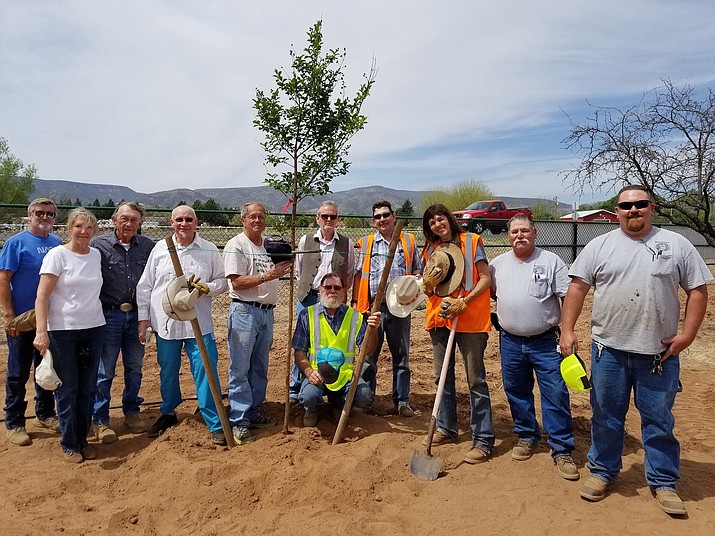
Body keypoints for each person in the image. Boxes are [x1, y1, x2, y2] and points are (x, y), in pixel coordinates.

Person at [560, 185, 712, 516]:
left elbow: (698, 290)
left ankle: (663, 481)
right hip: (608, 352)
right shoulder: (599, 246)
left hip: (659, 356)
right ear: (616, 210)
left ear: (651, 208)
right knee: (606, 417)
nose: (633, 210)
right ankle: (602, 472)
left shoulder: (676, 245)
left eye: (640, 204)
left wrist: (687, 335)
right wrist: (568, 330)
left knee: (658, 420)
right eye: (626, 205)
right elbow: (577, 288)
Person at [489, 214, 578, 480]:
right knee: (516, 391)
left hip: (546, 341)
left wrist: (567, 332)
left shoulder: (550, 261)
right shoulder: (497, 265)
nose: (520, 235)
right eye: (514, 231)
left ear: (535, 233)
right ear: (508, 236)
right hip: (510, 340)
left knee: (555, 393)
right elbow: (495, 294)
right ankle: (527, 436)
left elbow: (567, 296)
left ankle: (561, 448)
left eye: (525, 231)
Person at [136, 206, 228, 445]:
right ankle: (168, 412)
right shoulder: (160, 249)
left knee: (206, 370)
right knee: (167, 371)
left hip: (199, 323)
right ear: (171, 222)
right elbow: (146, 285)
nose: (184, 223)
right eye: (179, 220)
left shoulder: (208, 249)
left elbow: (223, 281)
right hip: (166, 324)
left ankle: (213, 419)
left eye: (188, 219)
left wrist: (209, 287)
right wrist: (143, 318)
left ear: (196, 221)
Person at [420, 204, 495, 464]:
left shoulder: (472, 242)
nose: (437, 225)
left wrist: (466, 300)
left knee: (475, 380)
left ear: (449, 219)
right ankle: (446, 428)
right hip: (441, 320)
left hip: (470, 320)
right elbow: (430, 290)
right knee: (442, 378)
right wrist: (426, 286)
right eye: (431, 223)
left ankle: (483, 438)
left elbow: (485, 278)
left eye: (440, 219)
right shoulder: (431, 250)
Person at [33, 207, 106, 463]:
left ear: (95, 231)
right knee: (68, 388)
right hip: (63, 331)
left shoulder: (95, 255)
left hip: (94, 327)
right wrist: (42, 332)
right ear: (68, 228)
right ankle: (69, 443)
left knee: (88, 387)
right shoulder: (57, 256)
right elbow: (42, 295)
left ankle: (82, 438)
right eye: (78, 227)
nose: (84, 232)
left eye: (89, 228)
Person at [224, 202, 292, 444]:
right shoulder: (236, 245)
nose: (257, 221)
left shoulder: (268, 245)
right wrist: (268, 275)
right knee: (240, 367)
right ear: (243, 220)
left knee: (260, 366)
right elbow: (237, 283)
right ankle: (239, 420)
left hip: (266, 313)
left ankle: (253, 411)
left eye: (261, 216)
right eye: (252, 217)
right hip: (245, 311)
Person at [90, 202, 154, 443]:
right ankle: (100, 419)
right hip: (108, 315)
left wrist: (147, 317)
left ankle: (132, 411)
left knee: (135, 367)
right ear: (114, 220)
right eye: (124, 219)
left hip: (137, 315)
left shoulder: (148, 247)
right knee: (104, 370)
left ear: (140, 223)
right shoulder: (99, 245)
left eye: (134, 220)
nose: (129, 224)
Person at [1, 198, 62, 446]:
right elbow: (4, 279)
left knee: (45, 368)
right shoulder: (16, 243)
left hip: (49, 319)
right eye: (39, 213)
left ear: (54, 218)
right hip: (23, 319)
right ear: (30, 215)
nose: (44, 217)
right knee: (18, 372)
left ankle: (45, 414)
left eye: (49, 214)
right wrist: (7, 314)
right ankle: (14, 422)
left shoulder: (57, 244)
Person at [353, 200, 420, 416]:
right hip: (372, 307)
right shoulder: (366, 243)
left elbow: (418, 271)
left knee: (401, 355)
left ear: (393, 216)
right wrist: (356, 303)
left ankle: (401, 401)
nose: (382, 219)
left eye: (385, 215)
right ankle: (366, 399)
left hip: (400, 308)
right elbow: (357, 275)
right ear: (373, 222)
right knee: (369, 353)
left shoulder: (408, 241)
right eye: (378, 216)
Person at [292, 272, 381, 426]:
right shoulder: (307, 315)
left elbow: (368, 351)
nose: (332, 291)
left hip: (344, 377)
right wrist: (308, 373)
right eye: (328, 287)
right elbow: (299, 352)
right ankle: (314, 409)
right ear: (320, 290)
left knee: (365, 395)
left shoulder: (355, 317)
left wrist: (372, 330)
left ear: (343, 291)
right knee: (308, 396)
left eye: (337, 287)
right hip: (316, 375)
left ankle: (338, 404)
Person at [290, 201, 355, 401]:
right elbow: (300, 271)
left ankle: (333, 382)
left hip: (334, 298)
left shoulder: (347, 243)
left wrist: (336, 292)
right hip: (309, 297)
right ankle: (297, 386)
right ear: (317, 218)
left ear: (337, 220)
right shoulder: (305, 240)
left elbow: (350, 273)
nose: (328, 220)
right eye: (324, 216)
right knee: (303, 343)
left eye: (332, 216)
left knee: (332, 342)